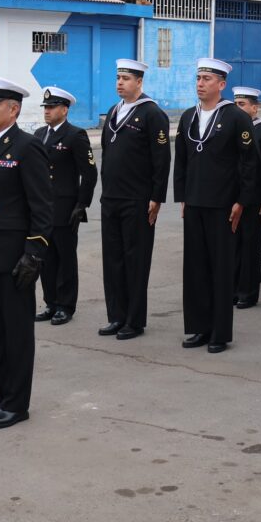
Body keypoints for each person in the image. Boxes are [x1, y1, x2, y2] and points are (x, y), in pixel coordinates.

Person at [0, 76, 53, 430]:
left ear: (13, 109)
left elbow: (42, 206)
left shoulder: (27, 147)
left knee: (16, 332)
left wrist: (34, 253)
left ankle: (17, 403)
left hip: (14, 258)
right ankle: (2, 393)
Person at [173, 59, 258, 353]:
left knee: (220, 270)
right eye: (198, 78)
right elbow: (181, 160)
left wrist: (242, 202)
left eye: (207, 79)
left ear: (221, 85)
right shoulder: (188, 117)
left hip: (223, 205)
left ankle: (219, 333)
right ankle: (198, 328)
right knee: (195, 269)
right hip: (195, 203)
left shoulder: (235, 117)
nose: (200, 83)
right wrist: (182, 196)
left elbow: (250, 164)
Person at [98, 59, 171, 340]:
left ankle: (134, 320)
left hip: (137, 200)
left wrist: (156, 197)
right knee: (113, 259)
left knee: (135, 260)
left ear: (139, 82)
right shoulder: (114, 111)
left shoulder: (152, 114)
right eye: (118, 78)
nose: (120, 83)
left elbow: (161, 159)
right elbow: (107, 153)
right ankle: (116, 316)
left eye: (126, 78)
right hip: (112, 198)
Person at [33, 87, 97, 326]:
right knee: (45, 258)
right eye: (45, 108)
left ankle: (65, 305)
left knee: (65, 259)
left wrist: (82, 204)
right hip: (42, 209)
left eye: (51, 108)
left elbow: (89, 173)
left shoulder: (75, 135)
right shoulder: (39, 134)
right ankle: (50, 302)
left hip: (65, 208)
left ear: (64, 109)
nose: (47, 112)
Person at [232, 86, 261, 309]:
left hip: (255, 199)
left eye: (242, 104)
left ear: (254, 108)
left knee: (250, 247)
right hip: (233, 197)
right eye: (235, 103)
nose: (237, 108)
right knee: (233, 246)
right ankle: (233, 290)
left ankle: (248, 293)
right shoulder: (234, 128)